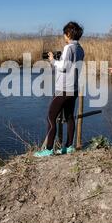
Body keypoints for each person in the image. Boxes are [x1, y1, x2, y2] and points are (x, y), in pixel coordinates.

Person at [34, 21, 85, 157]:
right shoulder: (80, 49)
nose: (64, 36)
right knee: (69, 117)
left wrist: (52, 60)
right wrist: (60, 58)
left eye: (64, 33)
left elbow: (64, 67)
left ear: (68, 34)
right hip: (73, 89)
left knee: (51, 117)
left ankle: (49, 149)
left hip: (63, 88)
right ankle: (68, 147)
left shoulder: (68, 48)